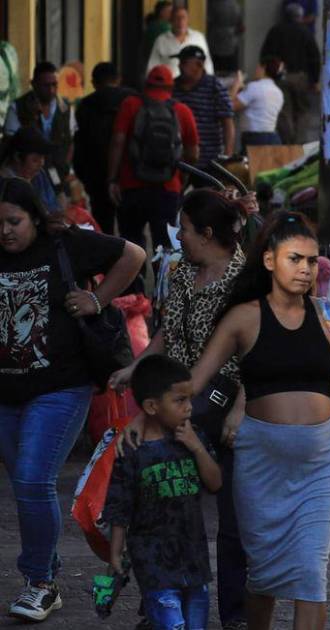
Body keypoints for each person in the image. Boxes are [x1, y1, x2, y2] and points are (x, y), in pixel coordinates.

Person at [186, 211, 330, 630]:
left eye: (311, 261)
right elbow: (195, 382)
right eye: (295, 259)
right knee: (264, 578)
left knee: (310, 575)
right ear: (270, 261)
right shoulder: (243, 317)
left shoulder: (329, 315)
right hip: (259, 466)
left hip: (319, 466)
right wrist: (145, 409)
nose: (305, 269)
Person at [0, 176, 145, 623]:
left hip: (61, 387)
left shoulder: (65, 244)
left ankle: (40, 583)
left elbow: (133, 255)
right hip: (6, 394)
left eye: (14, 221)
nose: (5, 231)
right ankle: (45, 571)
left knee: (32, 479)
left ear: (34, 217)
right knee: (25, 488)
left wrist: (98, 299)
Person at [112, 189, 250, 630]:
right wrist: (137, 367)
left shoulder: (245, 278)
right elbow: (166, 332)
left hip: (223, 399)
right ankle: (159, 601)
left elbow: (253, 351)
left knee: (232, 520)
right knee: (165, 504)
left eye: (185, 230)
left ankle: (235, 614)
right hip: (179, 399)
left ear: (207, 233)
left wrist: (241, 407)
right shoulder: (182, 272)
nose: (179, 237)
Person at [104, 355, 222, 630]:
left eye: (190, 399)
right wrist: (115, 554)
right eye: (179, 400)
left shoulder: (193, 437)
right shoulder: (132, 450)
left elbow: (216, 483)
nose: (189, 407)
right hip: (153, 563)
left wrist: (196, 447)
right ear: (151, 406)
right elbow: (119, 507)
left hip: (194, 561)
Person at [108, 65, 200, 255]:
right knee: (165, 247)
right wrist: (181, 178)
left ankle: (136, 275)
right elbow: (193, 153)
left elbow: (117, 142)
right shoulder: (181, 110)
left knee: (131, 245)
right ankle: (163, 275)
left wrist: (112, 179)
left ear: (146, 84)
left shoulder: (130, 104)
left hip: (131, 186)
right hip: (167, 188)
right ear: (171, 86)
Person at [73, 63, 134, 234]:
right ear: (118, 79)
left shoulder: (85, 105)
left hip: (96, 176)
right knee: (131, 231)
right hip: (129, 176)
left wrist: (84, 176)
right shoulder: (132, 100)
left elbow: (79, 145)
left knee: (103, 229)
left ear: (94, 83)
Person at [261, 3, 321, 145]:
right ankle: (299, 142)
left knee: (284, 111)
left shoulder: (275, 31)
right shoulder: (306, 32)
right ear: (300, 16)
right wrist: (315, 80)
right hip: (301, 77)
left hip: (280, 77)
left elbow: (265, 54)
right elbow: (315, 57)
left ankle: (287, 142)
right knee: (302, 110)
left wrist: (269, 74)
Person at [4, 62, 73, 184]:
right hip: (27, 176)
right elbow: (10, 143)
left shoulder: (65, 108)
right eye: (46, 85)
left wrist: (65, 168)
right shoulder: (18, 107)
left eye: (54, 85)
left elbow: (71, 142)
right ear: (33, 84)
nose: (51, 90)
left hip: (57, 174)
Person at [172, 46, 235, 165]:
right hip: (179, 162)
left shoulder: (214, 86)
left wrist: (227, 156)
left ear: (199, 65)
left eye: (184, 63)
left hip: (210, 162)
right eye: (180, 62)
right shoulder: (172, 87)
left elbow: (227, 123)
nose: (179, 66)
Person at [1, 127, 62, 214]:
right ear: (17, 157)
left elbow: (53, 208)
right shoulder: (5, 185)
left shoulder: (39, 175)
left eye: (43, 158)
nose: (41, 164)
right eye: (35, 159)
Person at [147, 6, 214, 77]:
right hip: (169, 82)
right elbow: (152, 66)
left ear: (188, 20)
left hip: (195, 83)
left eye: (183, 17)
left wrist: (210, 80)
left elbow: (207, 63)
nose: (180, 21)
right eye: (177, 18)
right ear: (171, 20)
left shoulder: (198, 37)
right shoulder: (161, 40)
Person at [233, 58, 286, 148]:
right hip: (273, 139)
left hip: (255, 139)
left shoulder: (254, 87)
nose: (255, 71)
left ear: (263, 68)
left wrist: (236, 84)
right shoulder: (278, 92)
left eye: (257, 68)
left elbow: (230, 106)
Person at [208, 0, 244, 74]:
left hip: (216, 43)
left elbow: (209, 22)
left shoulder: (213, 4)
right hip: (232, 44)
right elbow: (241, 27)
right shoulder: (236, 5)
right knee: (231, 73)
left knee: (217, 72)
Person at [142, 2, 174, 70]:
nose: (172, 14)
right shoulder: (163, 27)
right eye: (170, 11)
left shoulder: (151, 25)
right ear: (162, 12)